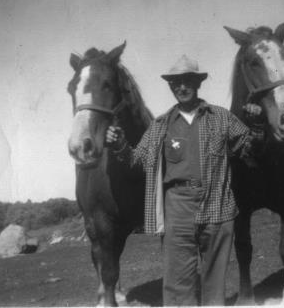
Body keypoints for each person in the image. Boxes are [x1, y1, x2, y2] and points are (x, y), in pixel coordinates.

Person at [106, 55, 263, 306]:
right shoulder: (160, 125)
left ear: (197, 83)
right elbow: (137, 162)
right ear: (170, 86)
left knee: (214, 284)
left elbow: (249, 153)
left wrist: (257, 124)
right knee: (178, 286)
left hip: (217, 207)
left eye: (187, 80)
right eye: (176, 82)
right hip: (177, 210)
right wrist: (120, 145)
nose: (181, 87)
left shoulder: (222, 117)